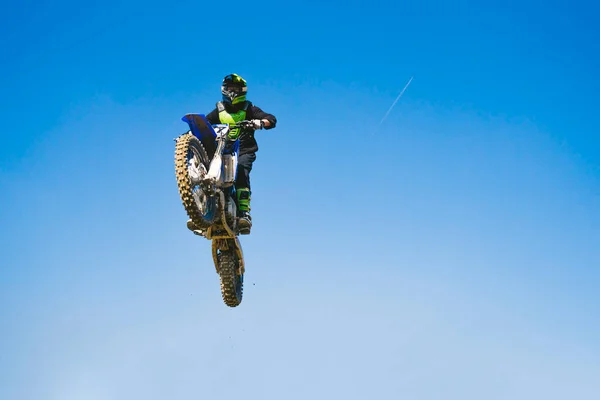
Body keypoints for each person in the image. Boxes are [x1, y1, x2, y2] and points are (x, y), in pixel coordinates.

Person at [187, 73, 277, 234]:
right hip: (221, 151)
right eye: (229, 88)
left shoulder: (249, 108)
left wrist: (260, 122)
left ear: (242, 91)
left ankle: (244, 214)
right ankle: (199, 212)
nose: (232, 91)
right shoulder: (219, 110)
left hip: (243, 149)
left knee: (242, 170)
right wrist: (190, 134)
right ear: (224, 90)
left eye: (235, 88)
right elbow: (205, 124)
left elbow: (271, 119)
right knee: (205, 174)